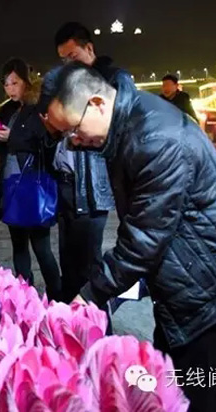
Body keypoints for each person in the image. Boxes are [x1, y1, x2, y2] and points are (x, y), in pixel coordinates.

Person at [39, 62, 216, 412]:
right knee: (171, 380)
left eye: (74, 130)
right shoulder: (124, 126)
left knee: (205, 393)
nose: (75, 142)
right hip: (184, 271)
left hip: (211, 280)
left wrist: (89, 295)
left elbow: (143, 240)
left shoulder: (156, 139)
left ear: (96, 103)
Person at [53, 22, 138, 308]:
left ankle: (97, 332)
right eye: (63, 59)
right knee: (69, 266)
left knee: (91, 269)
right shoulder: (68, 85)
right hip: (66, 186)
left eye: (73, 56)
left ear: (89, 48)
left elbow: (123, 128)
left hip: (92, 187)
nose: (68, 63)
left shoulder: (116, 79)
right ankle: (68, 331)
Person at [0, 58, 61, 299]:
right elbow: (2, 147)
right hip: (10, 183)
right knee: (18, 246)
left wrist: (12, 137)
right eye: (6, 84)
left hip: (33, 183)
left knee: (42, 248)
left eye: (14, 83)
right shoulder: (6, 109)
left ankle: (57, 295)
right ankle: (25, 298)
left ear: (26, 82)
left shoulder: (40, 106)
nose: (10, 89)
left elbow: (46, 142)